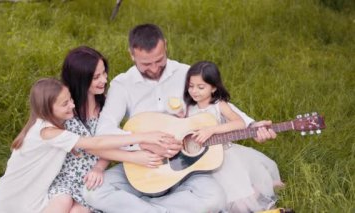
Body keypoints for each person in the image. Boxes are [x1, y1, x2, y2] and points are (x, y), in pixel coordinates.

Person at [83, 24, 276, 213]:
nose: (154, 68)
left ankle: (139, 208)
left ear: (165, 46)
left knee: (214, 198)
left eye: (159, 60)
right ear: (131, 55)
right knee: (92, 191)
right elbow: (104, 132)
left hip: (186, 166)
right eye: (145, 64)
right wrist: (143, 144)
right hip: (142, 164)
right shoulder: (122, 85)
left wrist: (251, 124)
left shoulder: (185, 73)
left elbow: (215, 104)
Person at [0, 78, 172, 213]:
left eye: (70, 99)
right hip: (14, 201)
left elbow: (100, 143)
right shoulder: (48, 132)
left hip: (33, 196)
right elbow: (96, 143)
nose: (72, 105)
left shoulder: (50, 125)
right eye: (65, 104)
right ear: (47, 109)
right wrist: (142, 137)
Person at [47, 46, 167, 213]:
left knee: (78, 211)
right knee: (61, 204)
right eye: (96, 77)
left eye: (104, 73)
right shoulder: (66, 107)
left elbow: (113, 142)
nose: (104, 80)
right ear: (80, 79)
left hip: (92, 177)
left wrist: (99, 168)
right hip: (67, 176)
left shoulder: (107, 104)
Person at [184, 61, 284, 212]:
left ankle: (261, 191)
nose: (194, 91)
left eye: (201, 87)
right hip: (203, 161)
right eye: (191, 86)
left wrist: (212, 130)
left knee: (239, 201)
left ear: (214, 88)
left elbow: (240, 123)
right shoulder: (188, 108)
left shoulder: (218, 105)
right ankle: (258, 188)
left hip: (226, 157)